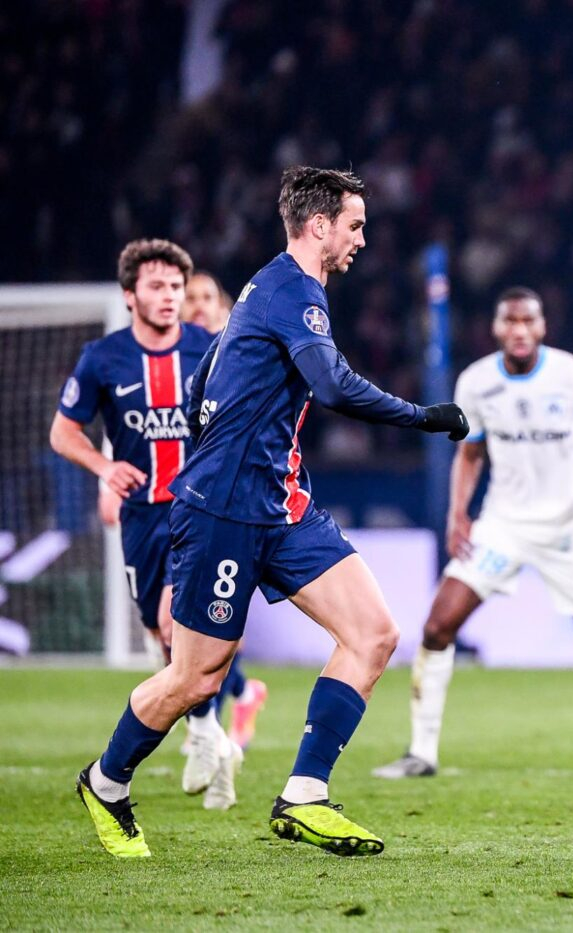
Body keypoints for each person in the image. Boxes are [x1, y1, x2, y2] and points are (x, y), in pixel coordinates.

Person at [74, 166, 469, 858]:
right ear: (319, 225)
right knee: (195, 676)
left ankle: (304, 795)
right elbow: (331, 385)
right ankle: (106, 782)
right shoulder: (293, 291)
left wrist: (226, 439)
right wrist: (422, 416)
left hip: (284, 506)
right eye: (355, 226)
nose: (362, 240)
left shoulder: (269, 288)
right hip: (224, 514)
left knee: (374, 634)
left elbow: (203, 380)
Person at [373, 287, 573, 781]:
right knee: (438, 626)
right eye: (511, 321)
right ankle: (421, 752)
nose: (520, 330)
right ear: (496, 328)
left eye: (528, 320)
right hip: (503, 525)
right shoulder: (476, 382)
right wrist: (457, 514)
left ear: (542, 326)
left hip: (571, 529)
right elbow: (469, 454)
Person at [51, 238, 248, 811]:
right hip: (142, 516)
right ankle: (213, 737)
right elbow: (64, 432)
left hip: (201, 509)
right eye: (157, 286)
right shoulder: (102, 358)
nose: (169, 296)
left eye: (176, 287)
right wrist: (104, 468)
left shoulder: (208, 347)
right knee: (163, 638)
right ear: (129, 294)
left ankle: (205, 733)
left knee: (173, 618)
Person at [181, 269, 269, 752]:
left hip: (230, 503)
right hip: (176, 501)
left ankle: (206, 731)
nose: (196, 305)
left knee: (203, 621)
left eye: (206, 297)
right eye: (189, 297)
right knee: (174, 627)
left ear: (224, 308)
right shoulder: (173, 357)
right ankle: (240, 693)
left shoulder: (241, 354)